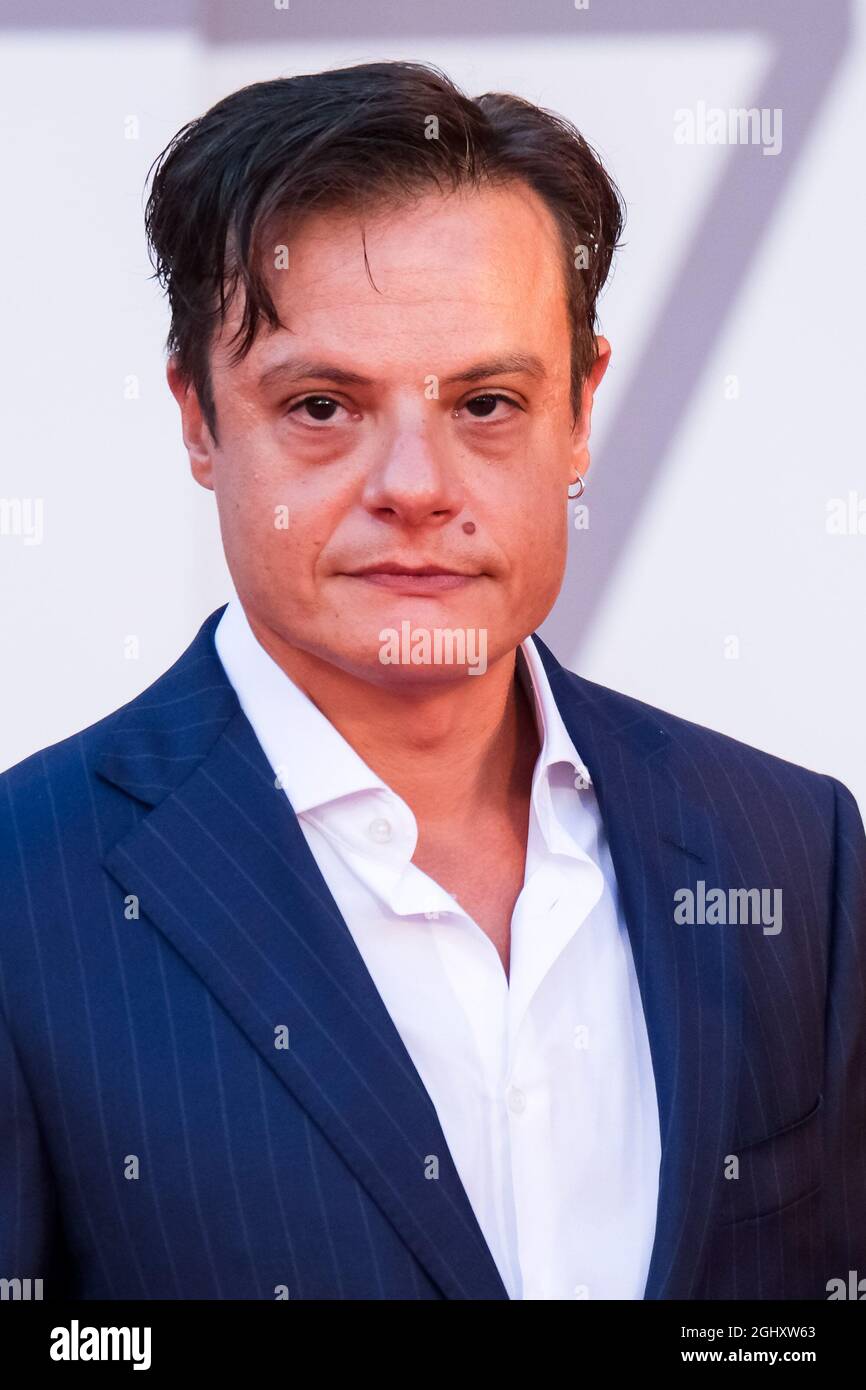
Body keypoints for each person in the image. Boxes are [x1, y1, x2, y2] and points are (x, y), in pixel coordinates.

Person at [1, 61, 863, 1302]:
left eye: (488, 400)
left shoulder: (791, 851)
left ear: (579, 412)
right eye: (319, 404)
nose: (416, 484)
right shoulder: (24, 899)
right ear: (198, 419)